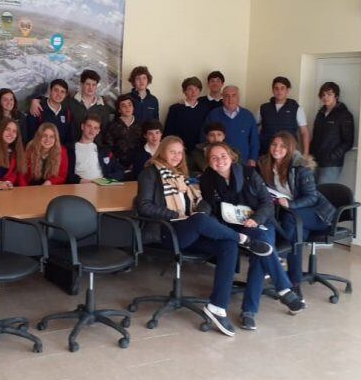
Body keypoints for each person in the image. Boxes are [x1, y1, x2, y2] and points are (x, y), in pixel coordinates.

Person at [135, 136, 273, 337]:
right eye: (172, 151)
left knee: (227, 244)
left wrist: (201, 209)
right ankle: (244, 239)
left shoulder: (181, 174)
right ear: (162, 151)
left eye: (180, 152)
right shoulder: (149, 173)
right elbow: (144, 206)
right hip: (167, 232)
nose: (176, 156)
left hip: (188, 229)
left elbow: (199, 201)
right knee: (201, 222)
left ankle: (218, 306)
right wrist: (178, 215)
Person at [199, 142, 306, 330]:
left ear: (232, 157)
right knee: (262, 247)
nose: (219, 160)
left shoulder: (248, 173)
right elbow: (210, 206)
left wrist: (256, 219)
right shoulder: (207, 179)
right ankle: (281, 291)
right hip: (232, 228)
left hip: (260, 223)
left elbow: (267, 203)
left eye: (223, 155)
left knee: (261, 246)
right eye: (214, 158)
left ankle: (251, 310)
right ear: (209, 162)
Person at [258, 132, 336, 297]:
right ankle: (294, 281)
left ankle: (279, 260)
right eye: (274, 144)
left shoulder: (300, 167)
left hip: (318, 214)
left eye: (282, 146)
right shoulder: (266, 165)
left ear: (290, 148)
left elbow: (312, 197)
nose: (277, 149)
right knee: (295, 236)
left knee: (291, 221)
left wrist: (290, 204)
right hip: (296, 216)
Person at [28, 70, 113, 142]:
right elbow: (54, 100)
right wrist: (36, 100)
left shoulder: (103, 107)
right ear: (82, 84)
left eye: (94, 85)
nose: (90, 88)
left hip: (95, 149)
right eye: (88, 84)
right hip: (72, 148)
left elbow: (104, 130)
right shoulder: (69, 102)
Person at [310, 81, 355, 184]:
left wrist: (332, 156)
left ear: (336, 96)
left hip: (331, 164)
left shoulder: (344, 115)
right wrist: (310, 154)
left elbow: (348, 142)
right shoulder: (320, 114)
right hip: (315, 161)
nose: (325, 97)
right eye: (323, 95)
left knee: (324, 193)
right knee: (311, 193)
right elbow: (315, 136)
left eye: (329, 94)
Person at [205, 85, 259, 166]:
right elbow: (204, 137)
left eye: (234, 95)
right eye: (227, 96)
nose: (230, 99)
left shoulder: (248, 115)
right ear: (222, 98)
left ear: (238, 97)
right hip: (219, 163)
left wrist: (253, 158)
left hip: (243, 162)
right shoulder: (213, 114)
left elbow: (254, 139)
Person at [258, 76, 310, 156]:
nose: (279, 91)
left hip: (288, 152)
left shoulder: (296, 108)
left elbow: (304, 132)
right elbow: (253, 128)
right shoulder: (263, 108)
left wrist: (305, 153)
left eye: (282, 88)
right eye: (276, 88)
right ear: (272, 90)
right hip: (266, 151)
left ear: (288, 90)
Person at [67, 115, 124, 183]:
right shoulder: (69, 149)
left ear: (98, 131)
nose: (92, 130)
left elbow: (119, 171)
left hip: (102, 187)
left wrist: (105, 181)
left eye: (95, 128)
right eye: (89, 126)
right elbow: (66, 174)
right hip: (80, 186)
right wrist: (80, 181)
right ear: (82, 126)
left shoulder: (104, 150)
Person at [164, 76, 211, 152]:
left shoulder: (205, 109)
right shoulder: (175, 109)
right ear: (184, 91)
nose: (193, 92)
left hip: (199, 150)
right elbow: (169, 131)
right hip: (179, 150)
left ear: (200, 91)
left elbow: (207, 131)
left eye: (196, 89)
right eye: (190, 89)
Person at [103, 94, 143, 173]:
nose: (127, 108)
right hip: (117, 165)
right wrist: (114, 162)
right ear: (119, 110)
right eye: (123, 106)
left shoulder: (140, 125)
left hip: (137, 165)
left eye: (129, 105)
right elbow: (108, 147)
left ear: (133, 107)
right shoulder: (112, 125)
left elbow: (143, 146)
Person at [26, 79, 74, 143]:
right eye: (56, 90)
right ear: (50, 91)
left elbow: (69, 138)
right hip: (39, 151)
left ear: (65, 95)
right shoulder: (38, 108)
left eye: (62, 92)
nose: (59, 94)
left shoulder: (67, 113)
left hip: (58, 151)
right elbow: (29, 134)